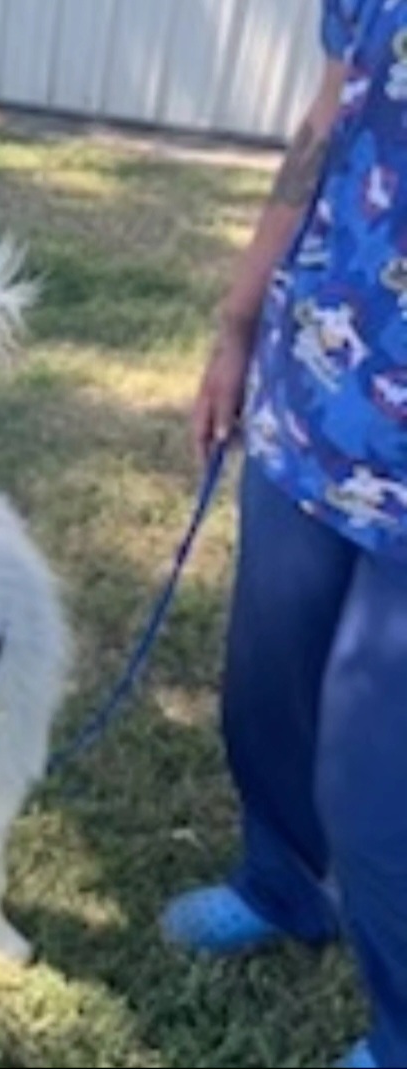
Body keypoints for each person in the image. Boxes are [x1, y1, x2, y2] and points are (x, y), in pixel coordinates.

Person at [160, 2, 407, 1066]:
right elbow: (325, 121)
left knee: (371, 779)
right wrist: (238, 320)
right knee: (265, 681)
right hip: (314, 394)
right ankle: (279, 881)